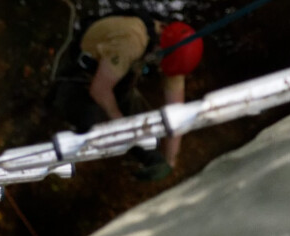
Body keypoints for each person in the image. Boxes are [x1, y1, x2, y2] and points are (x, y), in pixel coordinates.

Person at [47, 12, 204, 181]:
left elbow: (175, 113)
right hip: (79, 79)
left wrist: (170, 161)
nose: (160, 69)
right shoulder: (132, 40)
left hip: (115, 77)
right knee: (94, 125)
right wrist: (122, 125)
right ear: (160, 49)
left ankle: (149, 161)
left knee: (145, 122)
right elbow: (99, 90)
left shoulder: (173, 49)